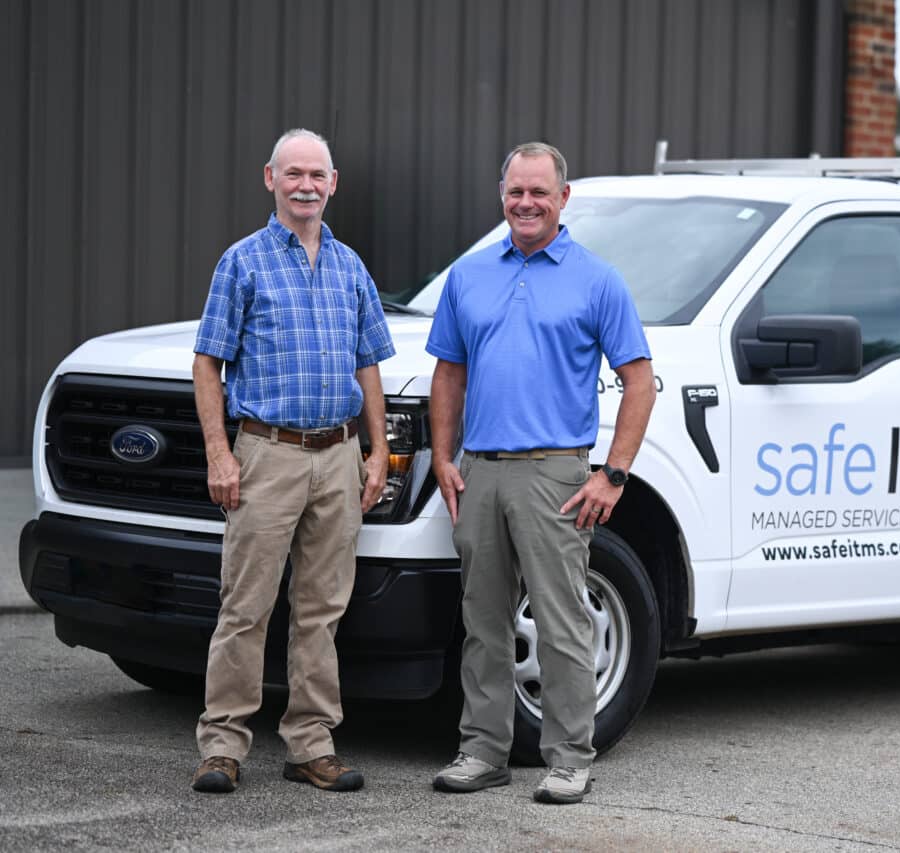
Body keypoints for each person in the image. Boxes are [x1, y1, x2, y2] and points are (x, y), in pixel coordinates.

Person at [427, 141, 655, 805]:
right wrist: (444, 457)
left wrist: (613, 472)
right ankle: (482, 751)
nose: (526, 203)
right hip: (479, 470)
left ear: (563, 198)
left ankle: (569, 756)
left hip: (556, 472)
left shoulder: (597, 279)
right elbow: (449, 371)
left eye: (539, 192)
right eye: (515, 192)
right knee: (484, 622)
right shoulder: (468, 275)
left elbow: (638, 380)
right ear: (502, 195)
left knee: (560, 623)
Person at [189, 128, 395, 794]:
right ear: (270, 179)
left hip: (336, 457)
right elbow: (207, 362)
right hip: (266, 454)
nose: (306, 185)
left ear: (333, 183)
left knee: (321, 609)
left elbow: (368, 364)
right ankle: (222, 744)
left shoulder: (349, 265)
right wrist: (220, 452)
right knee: (245, 606)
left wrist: (377, 451)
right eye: (293, 173)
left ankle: (310, 742)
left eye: (317, 174)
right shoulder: (241, 263)